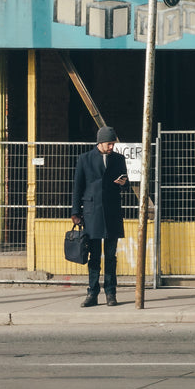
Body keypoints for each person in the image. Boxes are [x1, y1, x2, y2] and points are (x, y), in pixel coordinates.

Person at [71, 126, 129, 307]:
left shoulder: (119, 159)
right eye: (109, 144)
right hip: (92, 212)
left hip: (112, 212)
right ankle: (92, 293)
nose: (111, 147)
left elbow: (126, 184)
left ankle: (111, 293)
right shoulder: (85, 159)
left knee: (111, 256)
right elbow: (77, 186)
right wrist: (75, 212)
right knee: (94, 256)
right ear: (100, 142)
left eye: (113, 144)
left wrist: (123, 183)